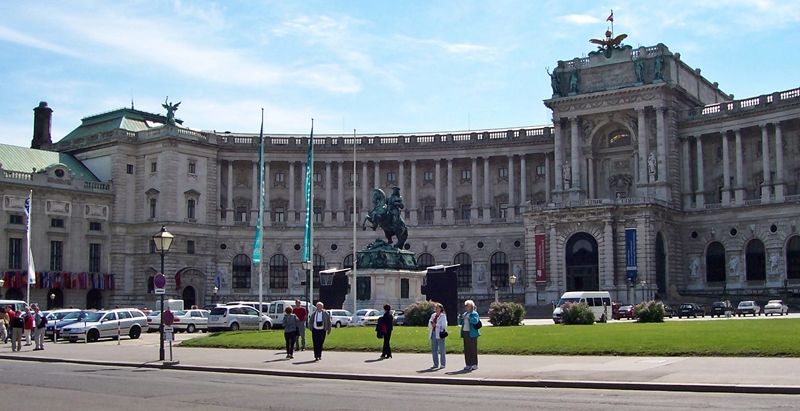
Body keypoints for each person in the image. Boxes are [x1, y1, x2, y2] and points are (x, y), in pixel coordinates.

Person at [457, 299, 481, 371]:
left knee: (473, 349)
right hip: (465, 332)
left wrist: (467, 318)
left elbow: (474, 321)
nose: (466, 307)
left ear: (471, 306)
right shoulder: (465, 313)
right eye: (465, 306)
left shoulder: (474, 314)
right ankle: (468, 364)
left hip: (472, 333)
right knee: (466, 349)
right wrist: (460, 318)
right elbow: (461, 323)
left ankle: (474, 364)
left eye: (467, 306)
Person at [428, 303, 448, 369]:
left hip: (439, 334)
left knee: (441, 349)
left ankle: (443, 364)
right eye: (435, 308)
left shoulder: (443, 316)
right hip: (433, 333)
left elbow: (444, 325)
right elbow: (429, 323)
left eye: (437, 308)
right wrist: (432, 325)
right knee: (434, 350)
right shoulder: (433, 315)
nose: (436, 309)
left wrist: (436, 325)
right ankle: (435, 364)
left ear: (440, 309)